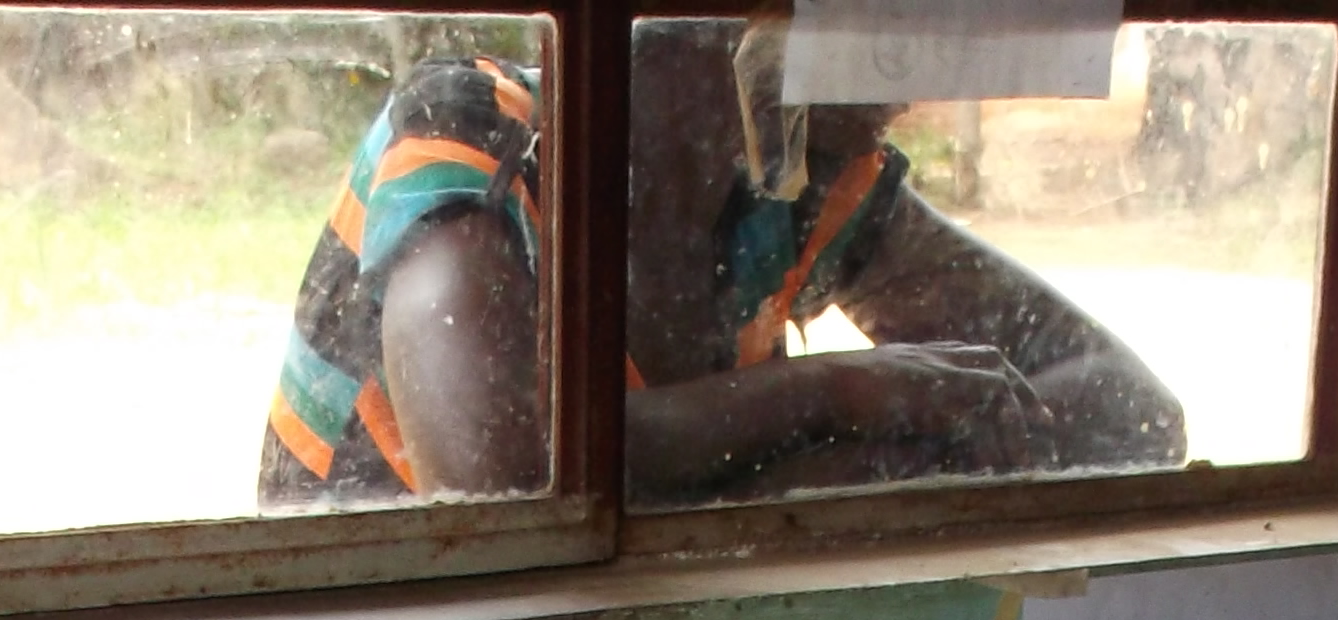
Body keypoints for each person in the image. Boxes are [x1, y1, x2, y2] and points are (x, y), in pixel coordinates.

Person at [259, 16, 1185, 512]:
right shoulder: (471, 142)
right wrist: (844, 401)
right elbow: (503, 494)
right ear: (725, 30)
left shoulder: (801, 186)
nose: (909, 90)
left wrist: (787, 479)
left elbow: (1133, 413)